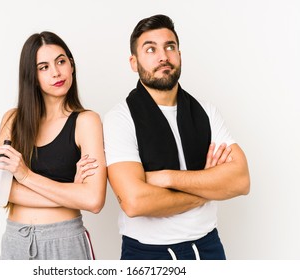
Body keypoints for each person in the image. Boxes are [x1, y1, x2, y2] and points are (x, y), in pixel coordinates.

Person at [103, 14, 250, 260]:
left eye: (170, 47)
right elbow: (134, 201)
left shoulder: (206, 111)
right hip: (148, 254)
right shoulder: (120, 118)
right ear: (133, 61)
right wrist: (208, 186)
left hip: (208, 247)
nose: (163, 56)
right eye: (150, 49)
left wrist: (165, 178)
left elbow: (241, 181)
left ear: (179, 55)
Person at [0, 31, 107, 260]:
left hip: (64, 241)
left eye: (61, 61)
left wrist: (25, 176)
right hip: (16, 240)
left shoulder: (86, 121)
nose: (56, 72)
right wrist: (71, 192)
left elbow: (93, 200)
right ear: (32, 76)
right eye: (43, 67)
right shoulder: (12, 121)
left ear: (71, 65)